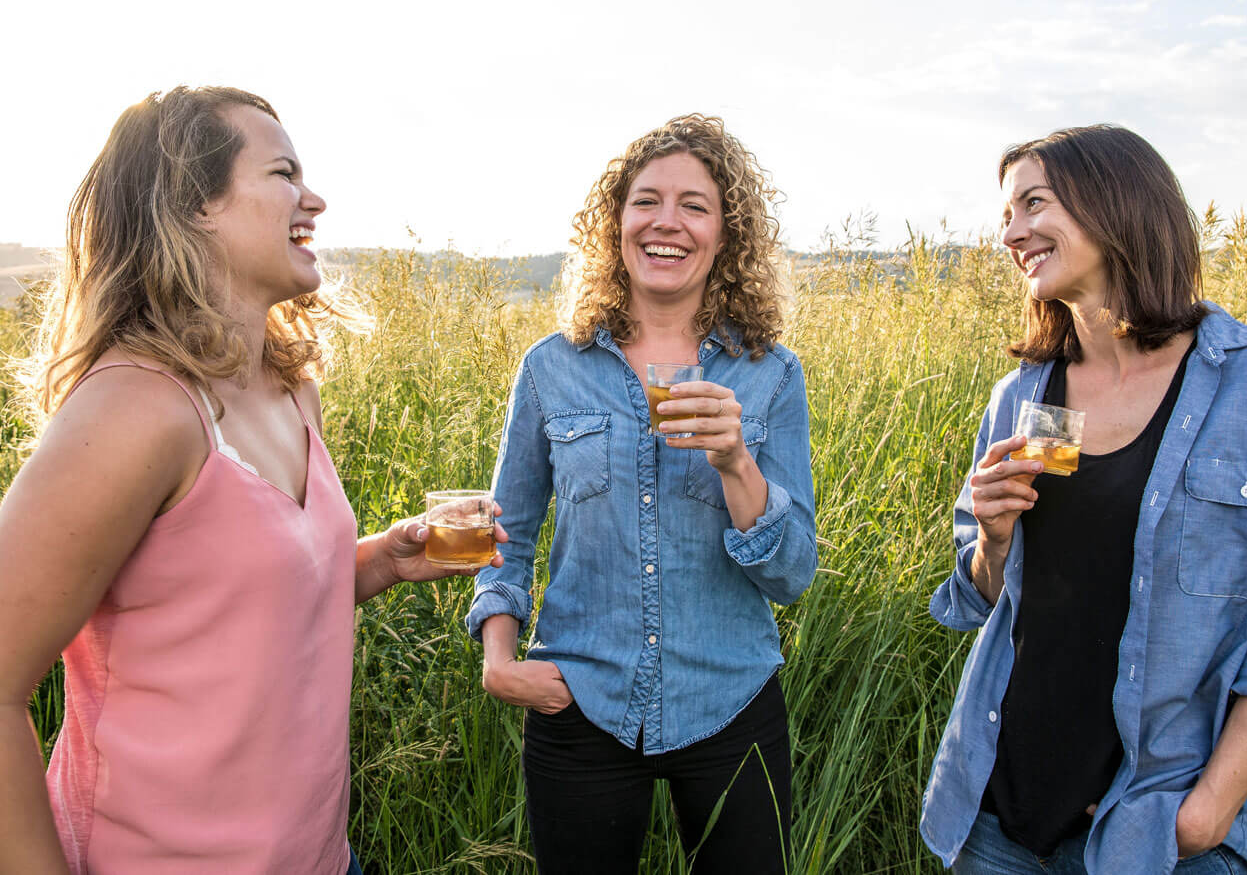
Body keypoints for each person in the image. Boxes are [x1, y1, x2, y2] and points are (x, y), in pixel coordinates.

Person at [0, 86, 505, 874]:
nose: (314, 198)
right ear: (194, 204)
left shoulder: (287, 383)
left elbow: (232, 606)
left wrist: (380, 560)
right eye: (283, 173)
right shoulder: (137, 407)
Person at [920, 125, 1247, 874]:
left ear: (1114, 202)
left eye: (1033, 204)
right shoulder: (1023, 396)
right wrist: (995, 542)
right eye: (1007, 214)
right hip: (999, 819)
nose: (1013, 233)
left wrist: (1205, 817)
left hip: (1161, 829)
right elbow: (979, 601)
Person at [465, 114, 817, 874]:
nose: (668, 222)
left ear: (727, 234)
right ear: (616, 223)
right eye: (646, 201)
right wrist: (500, 658)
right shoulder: (551, 367)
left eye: (695, 205)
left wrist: (736, 464)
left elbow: (791, 576)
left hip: (731, 702)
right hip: (580, 699)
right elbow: (507, 529)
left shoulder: (769, 373)